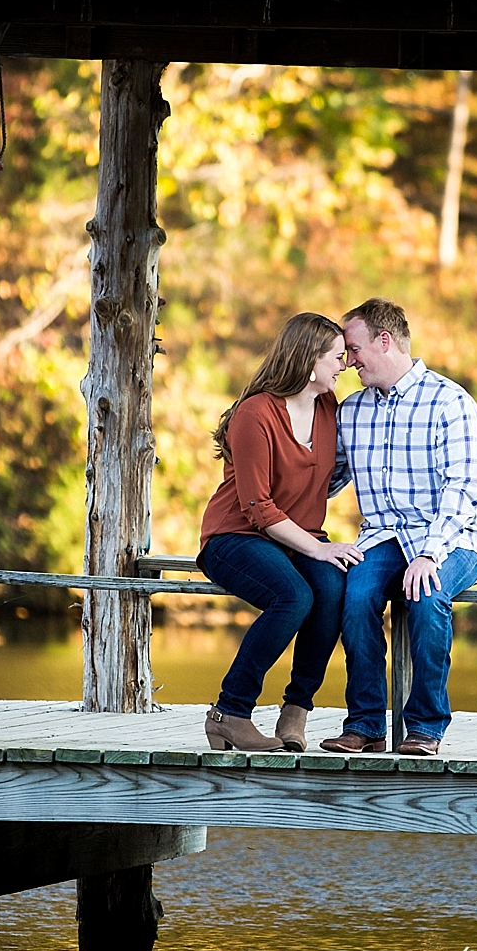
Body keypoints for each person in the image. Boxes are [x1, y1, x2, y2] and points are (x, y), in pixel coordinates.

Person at [322, 298, 477, 758]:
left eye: (353, 350)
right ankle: (366, 725)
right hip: (382, 538)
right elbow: (327, 478)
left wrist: (430, 553)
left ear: (385, 341)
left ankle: (426, 727)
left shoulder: (450, 402)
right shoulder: (352, 411)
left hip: (450, 538)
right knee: (354, 598)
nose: (349, 362)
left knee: (427, 596)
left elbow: (463, 488)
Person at [197, 313, 358, 753]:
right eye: (337, 357)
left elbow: (331, 474)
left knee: (332, 588)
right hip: (236, 536)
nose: (344, 365)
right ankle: (230, 712)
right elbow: (257, 507)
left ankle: (296, 711)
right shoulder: (256, 414)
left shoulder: (328, 407)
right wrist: (320, 549)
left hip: (298, 536)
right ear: (309, 361)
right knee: (295, 596)